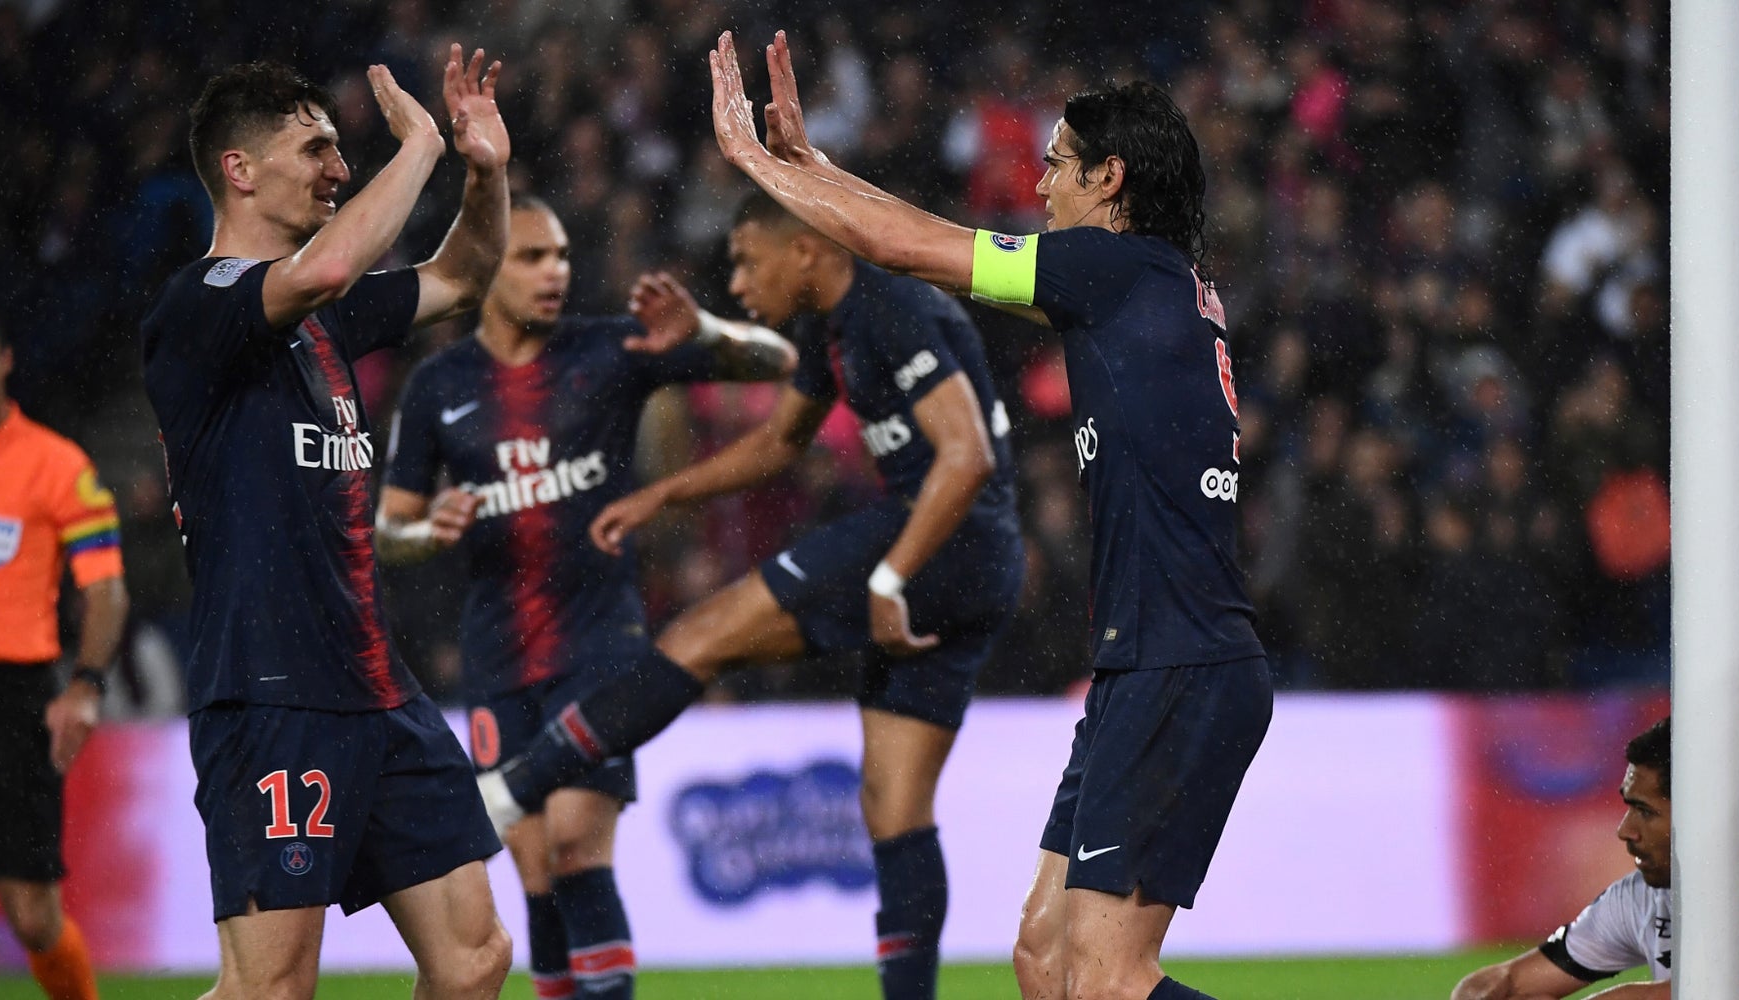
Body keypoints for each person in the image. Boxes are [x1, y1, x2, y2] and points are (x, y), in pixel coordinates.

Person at [701, 32, 1275, 1000]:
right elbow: (927, 253)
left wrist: (753, 163)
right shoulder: (1145, 285)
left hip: (1180, 658)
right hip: (1147, 660)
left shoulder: (1109, 270)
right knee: (1044, 963)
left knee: (1102, 979)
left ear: (1109, 178)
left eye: (1056, 164)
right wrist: (817, 166)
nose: (1040, 185)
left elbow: (901, 249)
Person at [479, 186, 1026, 1000]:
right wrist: (668, 494)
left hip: (940, 541)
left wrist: (889, 573)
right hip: (977, 562)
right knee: (894, 806)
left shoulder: (893, 304)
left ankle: (509, 790)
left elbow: (967, 455)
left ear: (806, 249)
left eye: (745, 261)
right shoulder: (830, 319)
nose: (736, 285)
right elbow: (780, 440)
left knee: (703, 635)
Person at [140, 49, 514, 1000]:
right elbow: (333, 262)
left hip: (379, 691)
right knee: (271, 988)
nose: (338, 169)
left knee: (474, 962)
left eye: (343, 152)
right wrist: (421, 144)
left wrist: (486, 172)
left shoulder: (326, 317)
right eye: (317, 149)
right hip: (270, 694)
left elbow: (464, 279)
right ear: (240, 168)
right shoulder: (200, 304)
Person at [379, 194, 796, 1000]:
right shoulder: (438, 386)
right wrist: (429, 526)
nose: (556, 271)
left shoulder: (611, 349)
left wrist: (703, 334)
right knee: (535, 874)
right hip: (498, 654)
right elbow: (387, 529)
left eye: (563, 254)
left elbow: (778, 359)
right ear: (487, 270)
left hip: (602, 646)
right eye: (534, 256)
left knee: (575, 845)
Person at [0, 304, 128, 1000]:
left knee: (31, 916)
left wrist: (85, 685)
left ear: (5, 362)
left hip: (12, 703)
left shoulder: (57, 465)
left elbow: (105, 590)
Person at [1453, 717, 1739, 1000]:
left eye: (1645, 811)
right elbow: (1506, 983)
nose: (1625, 830)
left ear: (1707, 817)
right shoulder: (1643, 896)